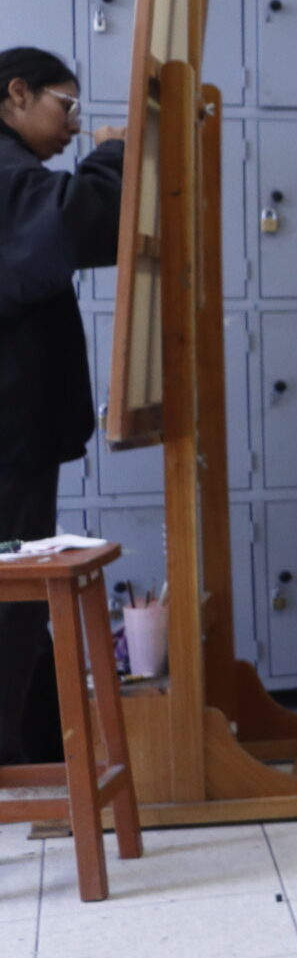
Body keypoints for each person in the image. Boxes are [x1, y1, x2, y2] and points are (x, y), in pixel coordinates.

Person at [0, 48, 123, 765]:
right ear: (17, 93)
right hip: (10, 438)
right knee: (14, 597)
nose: (74, 124)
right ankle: (14, 761)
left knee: (21, 595)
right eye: (66, 106)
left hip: (18, 432)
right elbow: (80, 223)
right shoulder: (8, 174)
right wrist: (116, 155)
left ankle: (41, 750)